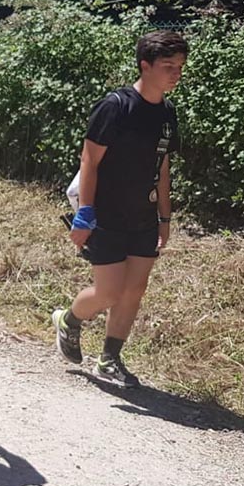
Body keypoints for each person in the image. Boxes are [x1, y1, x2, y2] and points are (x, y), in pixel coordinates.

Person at [51, 30, 186, 388]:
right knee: (109, 291)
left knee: (134, 290)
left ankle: (109, 358)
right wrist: (85, 214)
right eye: (168, 66)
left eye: (180, 67)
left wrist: (165, 218)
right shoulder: (116, 106)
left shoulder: (168, 113)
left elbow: (163, 167)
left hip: (143, 215)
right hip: (106, 214)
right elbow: (89, 161)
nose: (176, 73)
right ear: (145, 65)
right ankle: (70, 319)